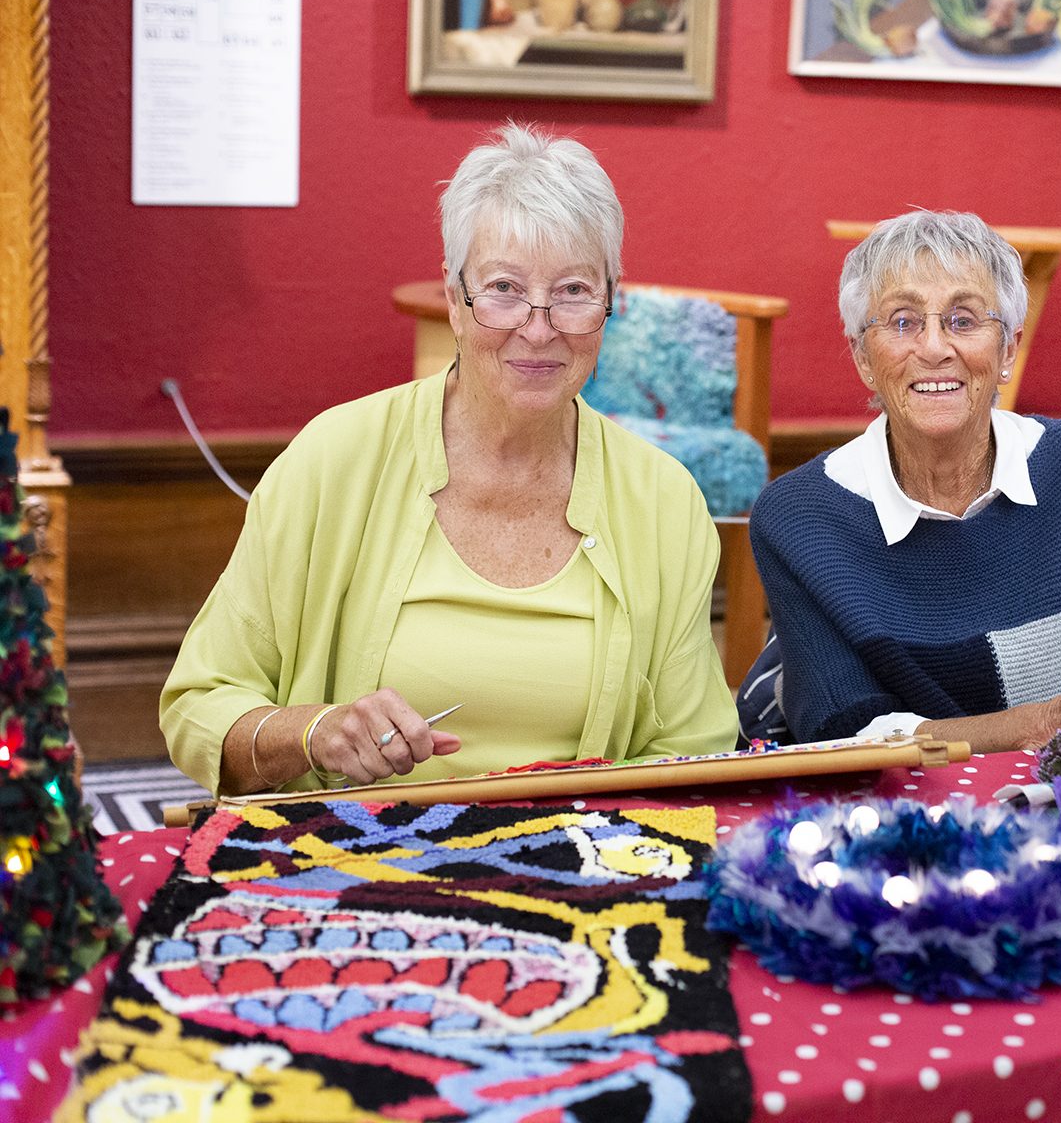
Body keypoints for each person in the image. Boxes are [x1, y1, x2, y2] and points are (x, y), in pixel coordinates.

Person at [161, 124, 737, 795]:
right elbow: (199, 707)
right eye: (504, 288)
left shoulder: (663, 499)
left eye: (575, 291)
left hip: (584, 866)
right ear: (453, 298)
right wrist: (315, 731)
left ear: (612, 301)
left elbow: (694, 754)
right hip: (354, 863)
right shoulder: (332, 461)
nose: (539, 326)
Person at [737, 209, 1061, 752]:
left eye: (963, 320)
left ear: (1007, 349)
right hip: (918, 817)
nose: (934, 349)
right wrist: (1049, 721)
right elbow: (846, 730)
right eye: (903, 321)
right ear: (863, 357)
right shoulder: (801, 515)